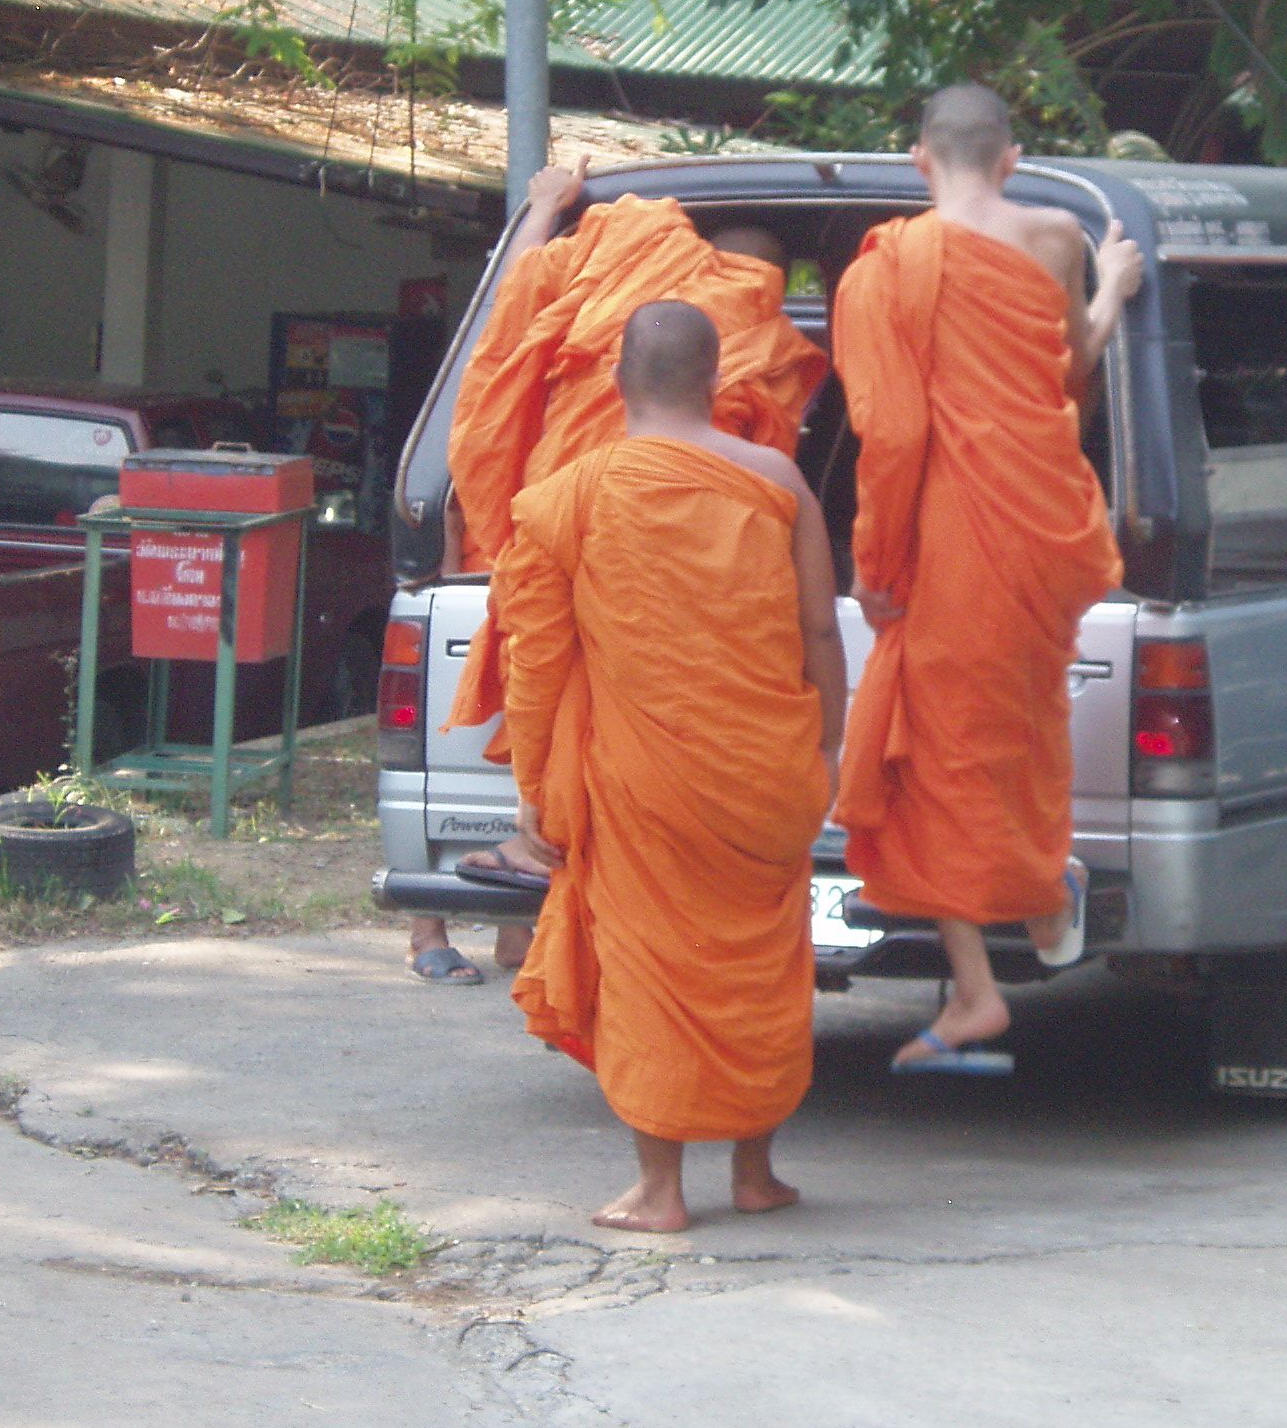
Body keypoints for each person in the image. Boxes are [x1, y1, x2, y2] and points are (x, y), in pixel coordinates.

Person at [406, 154, 826, 985]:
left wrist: (542, 207)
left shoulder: (626, 248)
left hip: (558, 520)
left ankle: (519, 868)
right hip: (673, 594)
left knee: (545, 694)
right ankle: (516, 900)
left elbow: (510, 311)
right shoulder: (762, 337)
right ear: (776, 279)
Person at [497, 299, 844, 1231]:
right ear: (717, 381)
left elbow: (536, 660)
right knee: (764, 964)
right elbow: (819, 626)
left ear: (618, 383)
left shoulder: (574, 494)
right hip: (766, 771)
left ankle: (660, 1191)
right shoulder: (777, 480)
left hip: (647, 783)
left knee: (654, 965)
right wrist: (828, 743)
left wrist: (535, 786)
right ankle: (756, 1173)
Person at [833, 82, 1145, 1073]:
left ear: (919, 158)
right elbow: (1074, 367)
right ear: (1009, 158)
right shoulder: (1058, 236)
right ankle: (1027, 921)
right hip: (1038, 527)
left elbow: (893, 434)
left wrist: (872, 559)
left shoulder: (892, 265)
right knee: (1021, 726)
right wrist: (1114, 289)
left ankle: (994, 966)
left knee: (936, 755)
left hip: (948, 540)